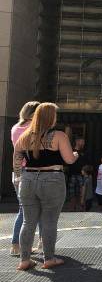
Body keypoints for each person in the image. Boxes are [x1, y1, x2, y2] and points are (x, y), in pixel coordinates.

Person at [13, 102, 79, 270]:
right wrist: (76, 154)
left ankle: (25, 260)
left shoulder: (26, 135)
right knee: (49, 220)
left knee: (28, 222)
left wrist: (20, 177)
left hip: (27, 179)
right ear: (52, 117)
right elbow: (69, 160)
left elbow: (16, 158)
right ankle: (49, 259)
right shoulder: (59, 135)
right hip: (52, 179)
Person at [10, 101, 41, 257]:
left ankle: (15, 244)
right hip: (32, 171)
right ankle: (43, 243)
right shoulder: (34, 130)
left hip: (17, 170)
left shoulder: (15, 128)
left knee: (23, 209)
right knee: (41, 207)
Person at [66, 137, 86, 211]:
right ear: (77, 141)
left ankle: (81, 210)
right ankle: (72, 210)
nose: (83, 143)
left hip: (82, 176)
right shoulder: (70, 151)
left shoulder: (84, 152)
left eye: (84, 142)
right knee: (72, 194)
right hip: (72, 175)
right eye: (82, 141)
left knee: (82, 194)